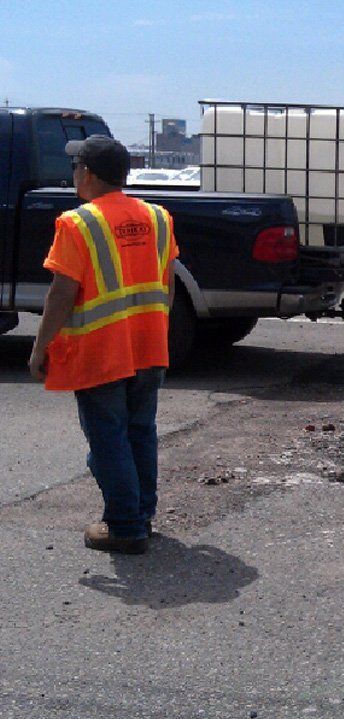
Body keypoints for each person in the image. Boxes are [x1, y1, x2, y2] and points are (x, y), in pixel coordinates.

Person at [28, 135, 178, 554]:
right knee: (139, 432)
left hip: (102, 352)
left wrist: (40, 349)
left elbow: (61, 292)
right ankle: (140, 516)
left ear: (87, 173)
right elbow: (165, 284)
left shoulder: (77, 223)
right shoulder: (158, 217)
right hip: (149, 347)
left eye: (76, 167)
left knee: (109, 438)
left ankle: (126, 525)